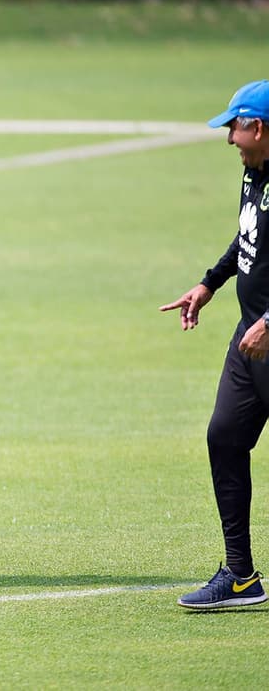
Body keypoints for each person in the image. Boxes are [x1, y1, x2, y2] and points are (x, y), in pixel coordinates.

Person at [163, 79, 269, 610]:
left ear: (259, 127)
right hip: (250, 342)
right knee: (224, 437)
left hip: (266, 332)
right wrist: (209, 283)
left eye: (235, 126)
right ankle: (242, 575)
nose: (229, 137)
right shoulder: (254, 174)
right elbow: (246, 239)